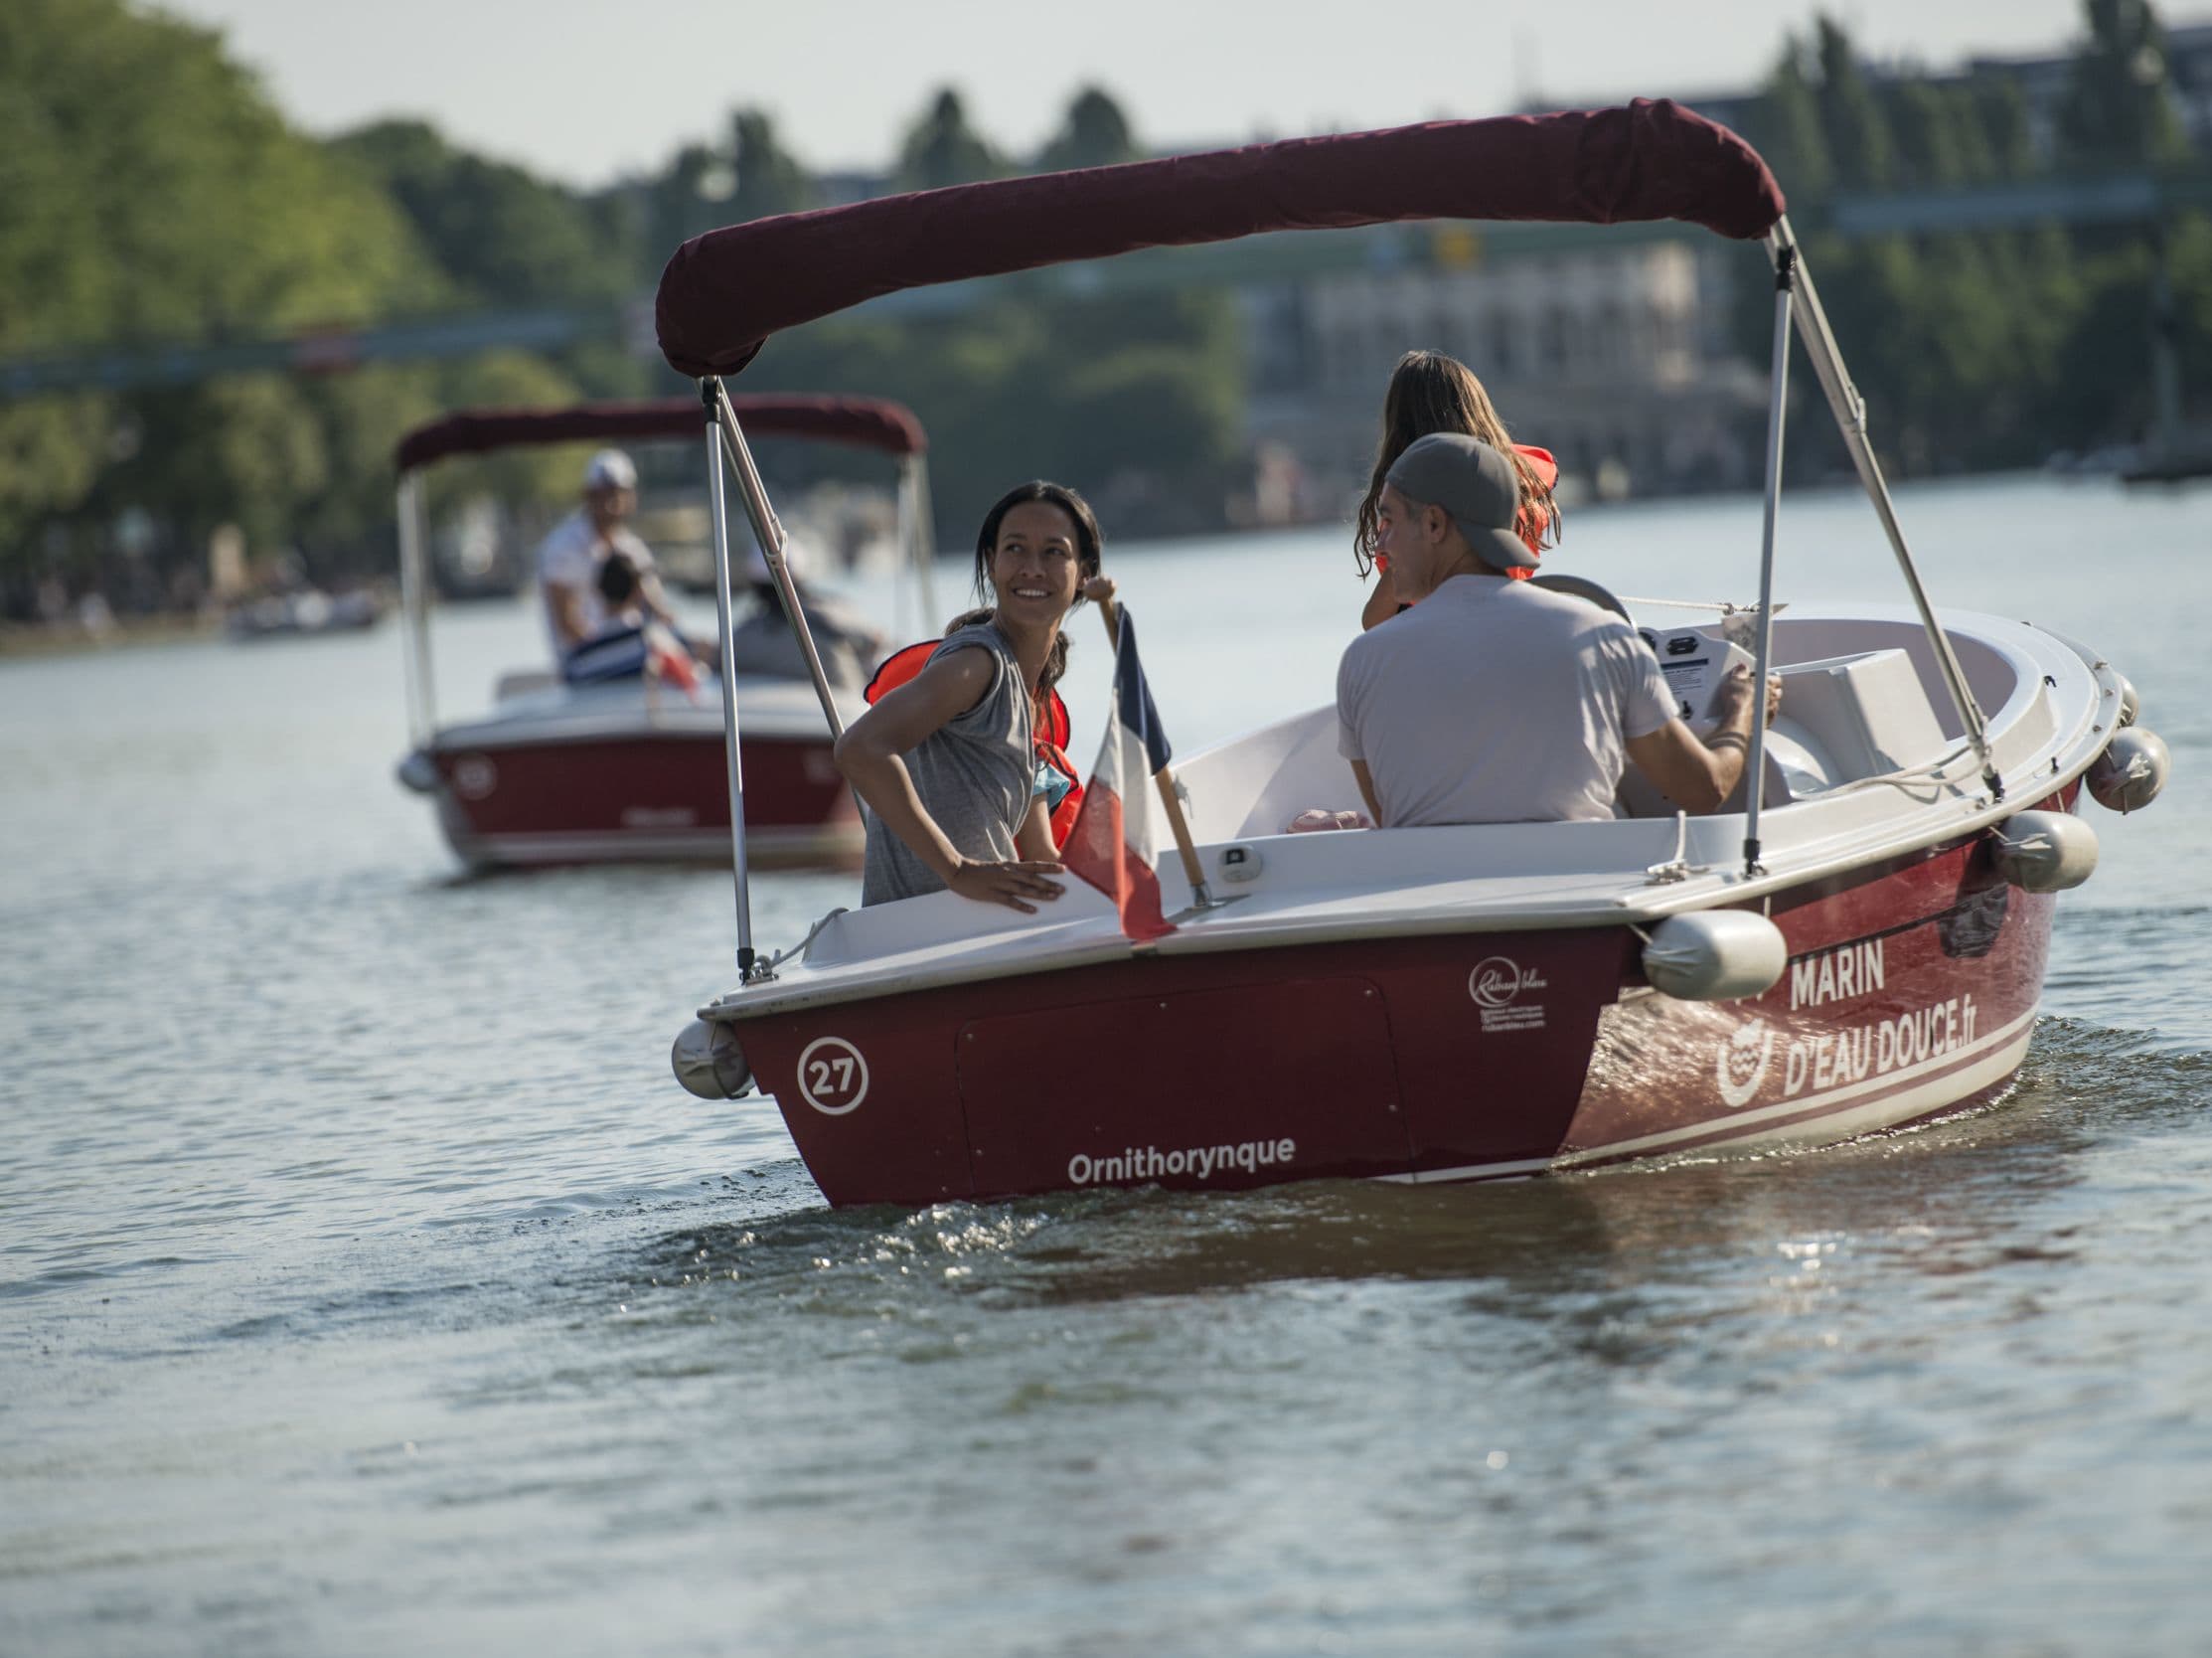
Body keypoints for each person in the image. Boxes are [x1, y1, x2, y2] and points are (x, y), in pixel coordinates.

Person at [1337, 433, 1781, 828]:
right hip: (1580, 889)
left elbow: (1390, 817)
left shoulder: (1363, 661)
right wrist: (1744, 711)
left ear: (1435, 524)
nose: (1381, 543)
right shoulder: (1603, 638)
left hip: (1432, 896)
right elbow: (1704, 790)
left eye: (1389, 522)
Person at [833, 481, 1108, 912]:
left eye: (1054, 552)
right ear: (992, 563)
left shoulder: (1028, 698)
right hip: (929, 930)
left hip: (987, 925)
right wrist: (956, 870)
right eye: (1015, 549)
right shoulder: (979, 663)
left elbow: (1043, 860)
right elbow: (860, 748)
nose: (1033, 568)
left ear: (1084, 574)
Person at [1352, 350, 1560, 632]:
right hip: (1515, 628)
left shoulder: (1416, 510)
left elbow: (1375, 622)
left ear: (1400, 429)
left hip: (1450, 641)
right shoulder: (1515, 482)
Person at [537, 449, 691, 665]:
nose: (612, 502)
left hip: (634, 656)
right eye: (602, 493)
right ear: (587, 495)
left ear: (631, 496)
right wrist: (613, 646)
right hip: (584, 663)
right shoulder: (561, 548)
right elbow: (567, 625)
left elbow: (659, 611)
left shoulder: (634, 550)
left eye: (618, 493)